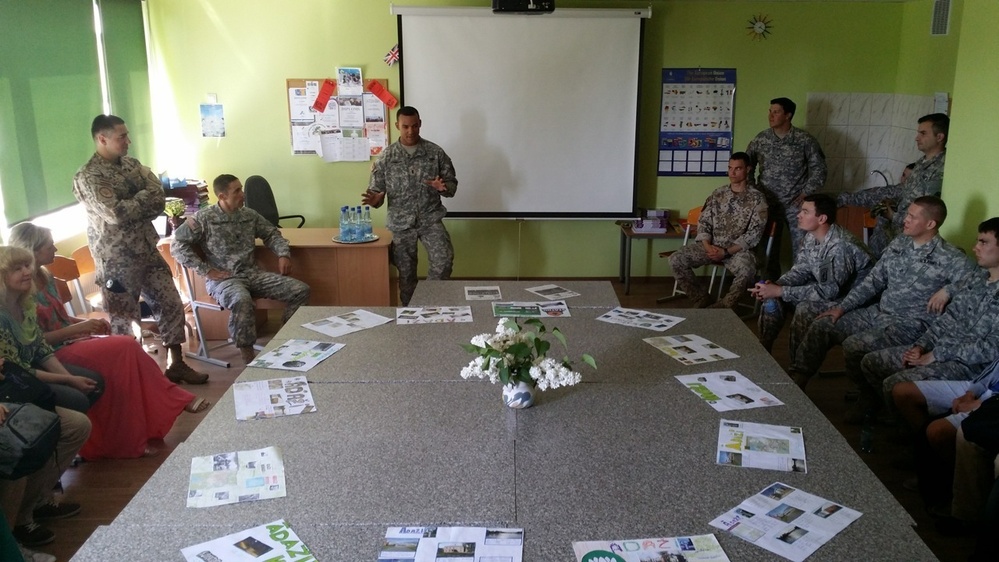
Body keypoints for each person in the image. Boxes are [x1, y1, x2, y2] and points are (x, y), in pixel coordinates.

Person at [8, 223, 210, 459]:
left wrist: (82, 325)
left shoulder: (46, 276)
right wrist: (80, 327)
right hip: (54, 350)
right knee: (124, 347)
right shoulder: (20, 291)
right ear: (31, 249)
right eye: (48, 245)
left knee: (125, 358)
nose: (54, 248)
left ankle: (135, 434)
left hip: (68, 341)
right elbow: (34, 343)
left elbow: (60, 318)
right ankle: (169, 402)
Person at [786, 196, 972, 401]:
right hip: (878, 313)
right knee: (823, 325)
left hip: (909, 324)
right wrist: (843, 307)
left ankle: (866, 399)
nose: (905, 220)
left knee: (854, 345)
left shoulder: (950, 257)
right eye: (907, 214)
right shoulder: (900, 243)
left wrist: (949, 290)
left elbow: (979, 279)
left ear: (930, 224)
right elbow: (873, 281)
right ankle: (797, 380)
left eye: (912, 216)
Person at [72, 114, 207, 384]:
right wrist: (144, 196)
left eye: (127, 135)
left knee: (171, 303)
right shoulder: (89, 177)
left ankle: (176, 363)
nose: (129, 141)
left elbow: (160, 200)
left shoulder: (131, 164)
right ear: (102, 139)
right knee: (126, 321)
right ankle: (132, 379)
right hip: (117, 260)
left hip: (146, 249)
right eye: (122, 137)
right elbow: (116, 213)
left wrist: (140, 199)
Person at [866, 217, 999, 419]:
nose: (975, 248)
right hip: (939, 351)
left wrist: (937, 355)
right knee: (872, 362)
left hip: (967, 366)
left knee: (894, 384)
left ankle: (919, 436)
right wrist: (920, 346)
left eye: (983, 242)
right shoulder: (977, 279)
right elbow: (947, 320)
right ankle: (898, 420)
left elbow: (992, 350)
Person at [172, 174, 311, 364]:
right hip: (224, 279)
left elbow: (271, 234)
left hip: (251, 274)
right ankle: (247, 355)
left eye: (241, 189)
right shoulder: (204, 218)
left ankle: (286, 339)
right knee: (241, 299)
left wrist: (283, 254)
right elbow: (177, 245)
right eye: (236, 191)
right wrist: (205, 270)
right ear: (221, 196)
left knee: (300, 290)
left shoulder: (248, 215)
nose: (243, 194)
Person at [750, 193, 873, 354]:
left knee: (804, 308)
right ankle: (764, 351)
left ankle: (796, 368)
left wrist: (781, 291)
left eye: (805, 212)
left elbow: (828, 292)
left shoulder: (840, 246)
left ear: (821, 219)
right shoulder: (811, 236)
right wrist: (775, 286)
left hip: (852, 300)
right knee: (772, 298)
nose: (798, 215)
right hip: (828, 291)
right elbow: (801, 270)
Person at [362, 106, 457, 306]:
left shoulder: (435, 153)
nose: (410, 131)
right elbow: (376, 192)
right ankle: (410, 314)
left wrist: (443, 187)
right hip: (400, 223)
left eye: (414, 126)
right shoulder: (386, 157)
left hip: (430, 219)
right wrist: (375, 200)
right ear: (397, 126)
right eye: (405, 127)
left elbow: (451, 185)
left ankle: (430, 305)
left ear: (420, 124)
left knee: (444, 261)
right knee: (406, 275)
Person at [0, 356, 91, 548]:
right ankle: (10, 544)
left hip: (9, 394)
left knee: (76, 425)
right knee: (16, 449)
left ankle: (32, 505)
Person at [0, 248, 104, 414]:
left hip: (31, 366)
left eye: (27, 265)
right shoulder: (2, 318)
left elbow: (42, 350)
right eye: (17, 269)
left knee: (95, 382)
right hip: (14, 380)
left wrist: (70, 379)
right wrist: (68, 380)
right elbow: (18, 370)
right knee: (77, 399)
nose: (27, 272)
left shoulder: (26, 305)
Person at [668, 152, 768, 309]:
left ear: (748, 169)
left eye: (738, 168)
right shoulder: (718, 194)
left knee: (747, 269)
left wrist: (727, 252)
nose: (732, 173)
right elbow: (704, 222)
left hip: (737, 250)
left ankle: (725, 306)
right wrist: (708, 246)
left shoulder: (757, 198)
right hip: (712, 246)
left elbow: (754, 233)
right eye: (730, 168)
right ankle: (701, 297)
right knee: (676, 259)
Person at [839, 114, 949, 257]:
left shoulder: (941, 168)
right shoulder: (922, 162)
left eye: (923, 133)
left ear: (939, 137)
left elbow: (926, 210)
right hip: (896, 233)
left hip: (911, 238)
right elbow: (902, 191)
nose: (917, 138)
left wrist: (894, 216)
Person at [746, 97, 827, 280]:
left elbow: (819, 169)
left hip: (796, 206)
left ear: (788, 115)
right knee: (767, 250)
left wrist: (807, 192)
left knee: (802, 248)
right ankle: (768, 290)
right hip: (768, 204)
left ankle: (798, 291)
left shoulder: (804, 140)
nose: (771, 115)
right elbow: (747, 166)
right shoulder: (761, 139)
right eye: (770, 111)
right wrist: (755, 192)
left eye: (776, 112)